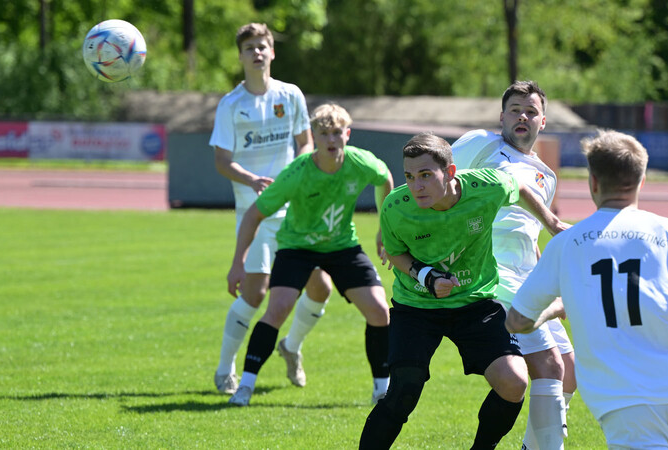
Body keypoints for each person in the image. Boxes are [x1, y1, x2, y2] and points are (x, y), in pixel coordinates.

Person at [506, 130, 668, 448]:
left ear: (593, 183)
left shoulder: (567, 244)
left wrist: (557, 308)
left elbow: (518, 320)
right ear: (641, 181)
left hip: (619, 401)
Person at [360, 132, 567, 449]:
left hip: (476, 304)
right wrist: (427, 276)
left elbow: (520, 188)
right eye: (410, 176)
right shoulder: (396, 206)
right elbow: (395, 253)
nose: (416, 186)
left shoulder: (485, 186)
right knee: (404, 390)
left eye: (426, 175)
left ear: (451, 172)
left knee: (513, 383)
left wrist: (552, 223)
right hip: (417, 307)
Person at [228, 103, 394, 406]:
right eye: (323, 133)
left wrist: (385, 228)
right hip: (297, 247)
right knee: (277, 309)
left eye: (336, 133)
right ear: (313, 137)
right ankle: (245, 386)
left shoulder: (361, 163)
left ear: (348, 134)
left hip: (342, 245)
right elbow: (253, 215)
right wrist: (238, 263)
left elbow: (385, 180)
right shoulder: (297, 173)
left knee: (380, 311)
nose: (331, 140)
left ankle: (382, 390)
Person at [209, 22, 332, 395]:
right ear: (241, 56)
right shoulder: (232, 105)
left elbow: (305, 143)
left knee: (321, 286)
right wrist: (253, 180)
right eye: (249, 48)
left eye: (263, 46)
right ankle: (225, 367)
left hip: (295, 209)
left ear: (272, 52)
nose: (257, 52)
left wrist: (297, 177)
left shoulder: (290, 95)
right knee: (255, 293)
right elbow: (221, 160)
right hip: (256, 211)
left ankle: (291, 346)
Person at [452, 80, 575, 450]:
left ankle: (532, 446)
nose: (523, 116)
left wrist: (550, 286)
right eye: (515, 109)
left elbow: (531, 237)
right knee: (550, 367)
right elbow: (435, 181)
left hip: (528, 279)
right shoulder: (481, 144)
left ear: (543, 121)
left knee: (569, 373)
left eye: (531, 111)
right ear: (501, 116)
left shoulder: (546, 176)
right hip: (492, 275)